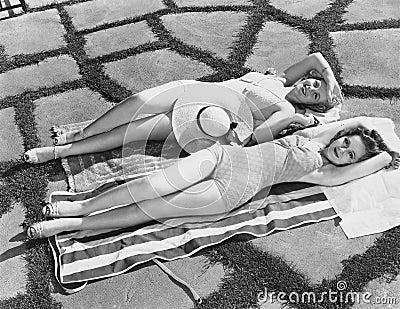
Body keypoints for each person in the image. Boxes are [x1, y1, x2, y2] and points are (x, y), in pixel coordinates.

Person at [26, 117, 399, 239]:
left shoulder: (324, 173)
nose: (345, 150)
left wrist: (384, 153)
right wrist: (369, 129)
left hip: (231, 188)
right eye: (347, 144)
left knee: (150, 207)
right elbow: (350, 124)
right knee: (148, 184)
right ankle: (80, 204)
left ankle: (68, 224)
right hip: (222, 156)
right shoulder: (312, 138)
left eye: (351, 155)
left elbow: (376, 159)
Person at [23, 52, 343, 163]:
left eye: (315, 95)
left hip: (206, 117)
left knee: (132, 132)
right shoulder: (281, 79)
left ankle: (57, 153)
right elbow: (316, 58)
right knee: (137, 101)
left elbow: (249, 139)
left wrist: (304, 122)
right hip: (196, 90)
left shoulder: (286, 110)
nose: (310, 87)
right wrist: (329, 78)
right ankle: (79, 133)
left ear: (309, 106)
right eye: (314, 83)